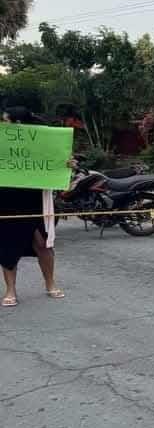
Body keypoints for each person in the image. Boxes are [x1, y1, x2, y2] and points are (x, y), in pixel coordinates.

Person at [0, 107, 71, 307]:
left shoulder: (43, 141)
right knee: (7, 244)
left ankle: (50, 283)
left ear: (19, 124)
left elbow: (56, 164)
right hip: (6, 201)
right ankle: (10, 290)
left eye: (6, 121)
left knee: (43, 243)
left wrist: (67, 165)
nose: (3, 124)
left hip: (36, 199)